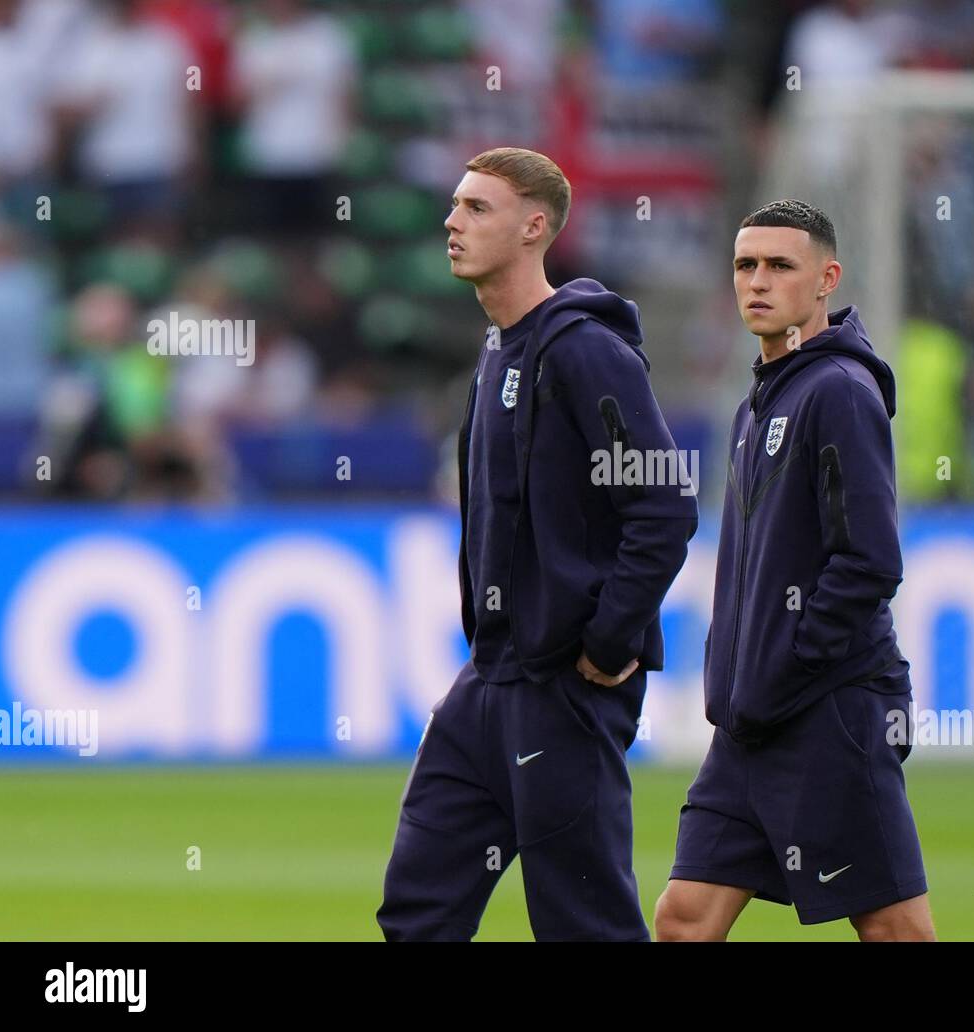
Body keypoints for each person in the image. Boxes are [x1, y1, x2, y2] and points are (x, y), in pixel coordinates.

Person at [377, 147, 698, 941]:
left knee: (582, 922)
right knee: (417, 910)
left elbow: (663, 506)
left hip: (564, 686)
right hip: (488, 683)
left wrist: (607, 638)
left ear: (534, 227)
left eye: (476, 208)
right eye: (454, 205)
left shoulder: (587, 350)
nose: (451, 222)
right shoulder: (494, 354)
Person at [655, 199, 935, 941]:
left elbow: (871, 558)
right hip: (750, 723)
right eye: (745, 265)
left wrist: (794, 658)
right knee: (683, 920)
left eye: (780, 265)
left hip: (828, 711)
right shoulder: (757, 403)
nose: (757, 280)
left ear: (825, 280)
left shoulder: (839, 391)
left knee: (895, 931)